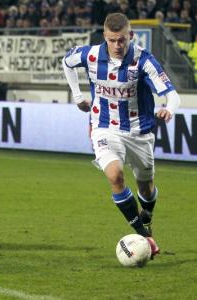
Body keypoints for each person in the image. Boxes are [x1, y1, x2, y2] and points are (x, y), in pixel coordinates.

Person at [62, 13, 181, 259]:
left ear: (131, 36)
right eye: (112, 40)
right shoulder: (91, 54)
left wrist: (169, 109)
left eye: (122, 40)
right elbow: (66, 62)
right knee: (115, 176)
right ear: (105, 37)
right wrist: (76, 96)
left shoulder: (144, 61)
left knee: (146, 188)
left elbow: (172, 94)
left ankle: (146, 216)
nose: (117, 46)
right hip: (104, 127)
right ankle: (144, 234)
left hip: (140, 132)